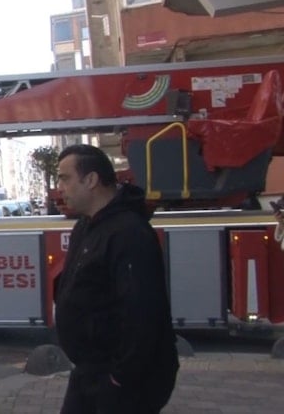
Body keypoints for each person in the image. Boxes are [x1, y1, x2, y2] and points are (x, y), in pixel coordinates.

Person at [54, 144, 179, 414]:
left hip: (122, 380)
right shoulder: (86, 226)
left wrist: (120, 376)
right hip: (90, 370)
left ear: (91, 180)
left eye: (65, 178)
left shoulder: (129, 233)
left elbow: (143, 312)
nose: (59, 187)